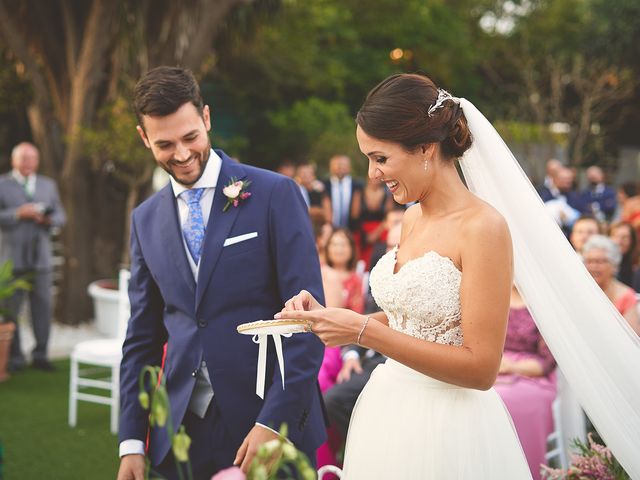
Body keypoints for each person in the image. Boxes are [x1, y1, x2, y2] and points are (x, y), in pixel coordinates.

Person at [278, 73, 532, 478]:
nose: (373, 175)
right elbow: (412, 320)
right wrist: (329, 319)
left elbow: (482, 368)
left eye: (380, 158)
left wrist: (362, 330)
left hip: (449, 424)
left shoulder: (483, 228)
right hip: (388, 407)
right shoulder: (412, 217)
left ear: (426, 148)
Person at [117, 67, 326, 480]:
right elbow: (142, 339)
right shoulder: (144, 220)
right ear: (144, 138)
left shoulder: (274, 194)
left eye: (190, 137)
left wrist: (274, 423)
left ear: (206, 118)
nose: (180, 153)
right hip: (181, 431)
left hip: (269, 425)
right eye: (164, 144)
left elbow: (309, 321)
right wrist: (131, 443)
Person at [0, 142, 66, 372]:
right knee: (10, 311)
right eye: (23, 158)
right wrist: (18, 213)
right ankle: (14, 357)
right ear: (13, 160)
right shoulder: (2, 184)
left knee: (43, 309)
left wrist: (48, 219)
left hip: (41, 260)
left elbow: (61, 216)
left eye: (32, 158)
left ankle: (40, 355)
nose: (28, 162)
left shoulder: (48, 185)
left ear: (37, 161)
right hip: (11, 260)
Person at [494, 286, 557, 480]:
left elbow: (547, 361)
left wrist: (512, 367)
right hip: (493, 364)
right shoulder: (494, 295)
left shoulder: (545, 303)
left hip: (531, 372)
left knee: (511, 401)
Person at [582, 235, 639, 335]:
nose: (593, 266)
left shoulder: (626, 296)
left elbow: (633, 338)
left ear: (614, 266)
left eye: (600, 261)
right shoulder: (579, 291)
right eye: (589, 261)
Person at [323, 155, 363, 229]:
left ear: (349, 167)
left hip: (353, 229)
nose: (339, 167)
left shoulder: (358, 186)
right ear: (330, 167)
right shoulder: (323, 186)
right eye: (336, 164)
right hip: (329, 228)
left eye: (343, 165)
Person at [609, 221, 637, 288]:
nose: (619, 241)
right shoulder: (601, 264)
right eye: (615, 236)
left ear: (632, 241)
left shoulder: (636, 267)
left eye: (625, 237)